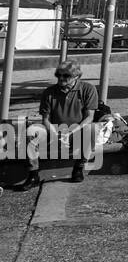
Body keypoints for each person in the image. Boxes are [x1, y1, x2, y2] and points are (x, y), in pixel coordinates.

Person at [12, 60, 99, 190]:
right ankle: (33, 174)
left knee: (92, 129)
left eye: (66, 76)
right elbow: (45, 119)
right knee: (31, 132)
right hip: (53, 129)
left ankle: (79, 167)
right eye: (59, 75)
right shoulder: (49, 92)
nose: (61, 78)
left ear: (76, 76)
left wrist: (72, 131)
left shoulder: (87, 89)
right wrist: (55, 133)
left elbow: (89, 117)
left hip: (76, 130)